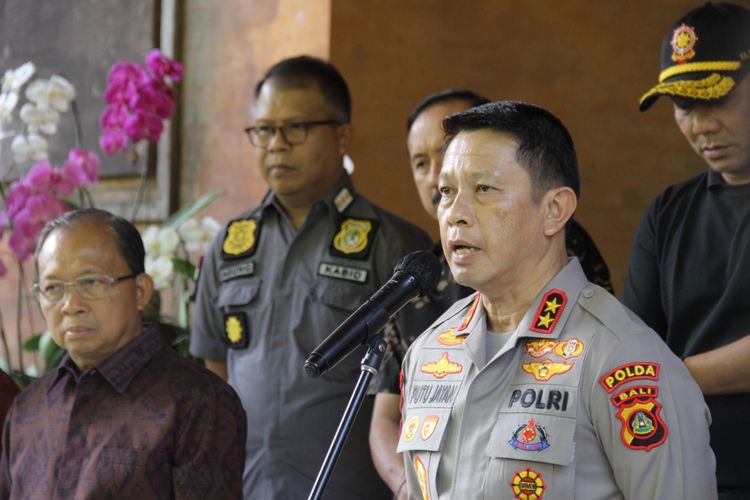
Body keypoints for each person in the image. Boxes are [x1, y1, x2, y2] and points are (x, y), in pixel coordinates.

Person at [398, 100, 716, 499]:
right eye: (447, 191)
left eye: (483, 189)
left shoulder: (623, 357)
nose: (454, 213)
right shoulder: (429, 351)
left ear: (554, 209)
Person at [190, 55, 431, 499]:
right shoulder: (230, 243)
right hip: (249, 486)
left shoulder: (394, 246)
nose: (276, 144)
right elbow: (217, 370)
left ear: (341, 134)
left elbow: (423, 389)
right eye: (264, 130)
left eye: (296, 127)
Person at [370, 89, 614, 497]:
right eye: (421, 163)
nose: (435, 176)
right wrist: (409, 487)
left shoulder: (556, 246)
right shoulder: (417, 278)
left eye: (481, 183)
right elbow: (385, 414)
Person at [0, 208, 246, 499]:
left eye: (91, 282)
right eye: (53, 288)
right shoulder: (30, 408)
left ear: (141, 291)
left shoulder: (196, 402)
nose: (70, 304)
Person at [622, 3, 750, 498]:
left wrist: (663, 374)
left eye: (716, 100)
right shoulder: (668, 211)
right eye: (684, 107)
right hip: (680, 471)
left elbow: (638, 369)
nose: (701, 126)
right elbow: (630, 347)